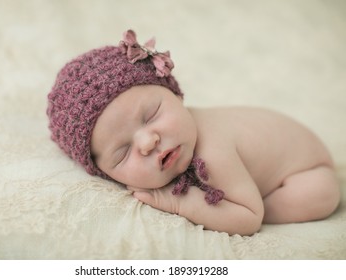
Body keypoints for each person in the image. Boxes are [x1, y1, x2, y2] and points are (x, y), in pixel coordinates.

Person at [47, 30, 340, 235]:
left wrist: (179, 202)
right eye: (122, 153)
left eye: (152, 115)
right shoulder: (178, 134)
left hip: (305, 169)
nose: (148, 141)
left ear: (175, 95)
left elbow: (250, 219)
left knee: (321, 195)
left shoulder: (211, 152)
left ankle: (250, 192)